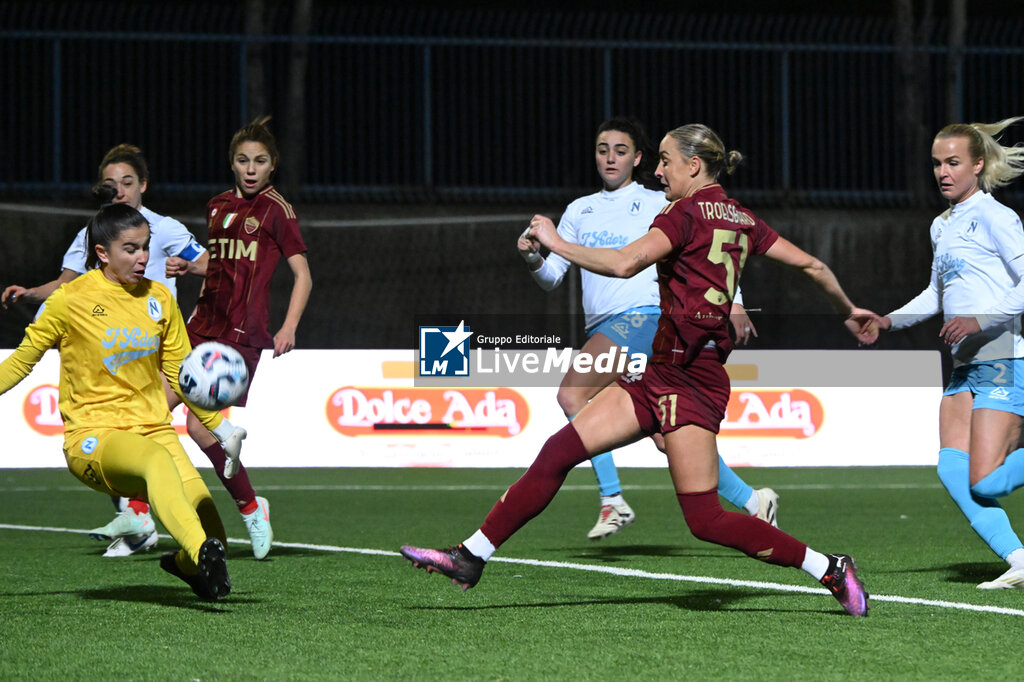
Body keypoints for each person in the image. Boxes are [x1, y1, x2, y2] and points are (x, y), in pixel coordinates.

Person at [401, 123, 872, 617]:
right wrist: (849, 308)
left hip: (692, 381)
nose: (659, 168)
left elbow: (626, 264)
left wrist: (556, 242)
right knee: (558, 452)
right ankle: (470, 557)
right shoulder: (742, 218)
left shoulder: (683, 213)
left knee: (705, 519)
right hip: (660, 375)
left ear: (694, 165)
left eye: (666, 160)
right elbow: (815, 267)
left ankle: (829, 567)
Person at [517, 117, 777, 540]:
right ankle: (752, 500)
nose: (610, 158)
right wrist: (532, 257)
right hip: (607, 326)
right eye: (603, 149)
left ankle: (612, 499)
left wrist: (737, 301)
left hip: (644, 315)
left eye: (621, 150)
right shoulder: (578, 210)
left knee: (571, 393)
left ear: (638, 158)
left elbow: (712, 245)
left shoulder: (659, 200)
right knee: (661, 431)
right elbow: (552, 277)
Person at [0, 144, 241, 559]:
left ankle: (192, 564)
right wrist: (31, 295)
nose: (144, 258)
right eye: (131, 249)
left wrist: (219, 427)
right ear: (102, 253)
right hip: (95, 434)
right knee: (156, 460)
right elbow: (22, 360)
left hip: (152, 427)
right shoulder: (70, 299)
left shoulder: (160, 299)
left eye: (146, 247)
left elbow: (182, 372)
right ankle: (176, 539)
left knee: (207, 515)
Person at [866, 117, 1024, 589]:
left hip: (1003, 357)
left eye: (953, 162)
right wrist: (888, 320)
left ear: (978, 165)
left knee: (987, 481)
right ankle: (1018, 558)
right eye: (937, 163)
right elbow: (935, 295)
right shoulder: (942, 225)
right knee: (951, 467)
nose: (943, 172)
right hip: (964, 364)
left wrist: (982, 319)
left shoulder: (997, 217)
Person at [165, 116, 312, 560]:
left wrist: (288, 327)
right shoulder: (217, 206)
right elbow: (221, 262)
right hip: (199, 324)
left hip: (241, 336)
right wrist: (188, 267)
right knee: (149, 410)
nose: (251, 168)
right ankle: (140, 511)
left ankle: (250, 508)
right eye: (243, 160)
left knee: (194, 426)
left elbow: (303, 275)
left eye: (260, 161)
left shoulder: (277, 210)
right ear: (233, 163)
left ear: (272, 167)